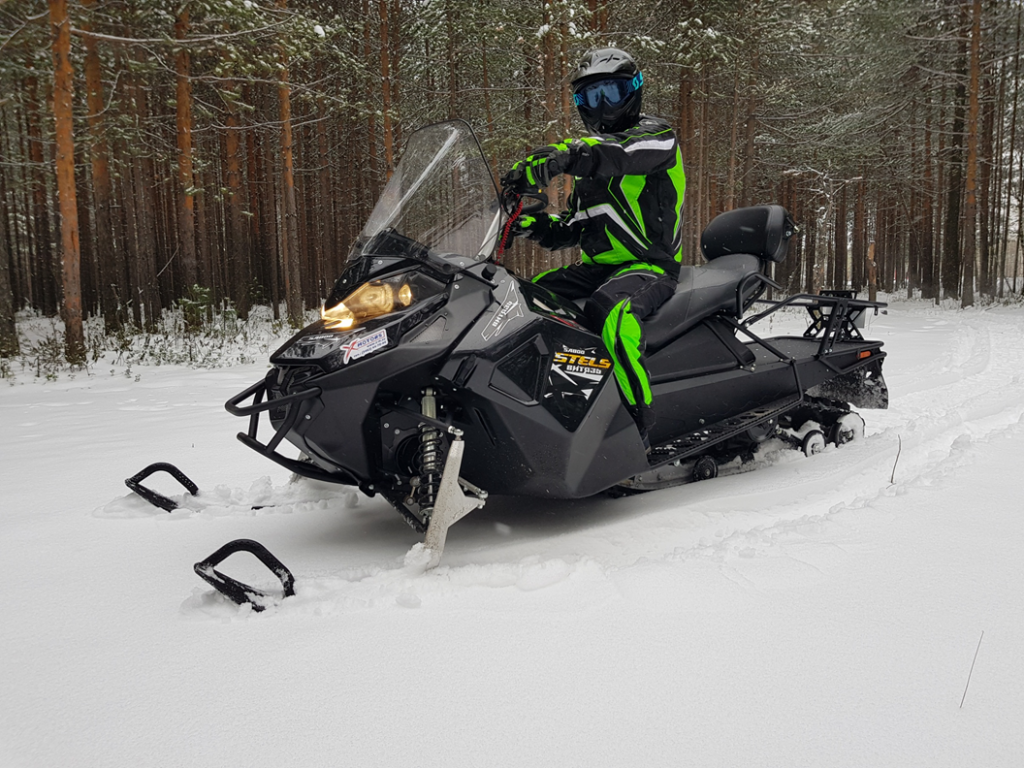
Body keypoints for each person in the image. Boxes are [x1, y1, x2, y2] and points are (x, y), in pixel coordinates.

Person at [501, 47, 686, 450]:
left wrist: (567, 156)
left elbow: (619, 154)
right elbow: (574, 228)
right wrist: (531, 225)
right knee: (519, 297)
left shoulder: (656, 138)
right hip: (597, 268)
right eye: (591, 96)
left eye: (612, 92)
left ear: (634, 90)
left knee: (612, 313)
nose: (602, 105)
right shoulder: (589, 171)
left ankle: (638, 427)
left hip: (649, 266)